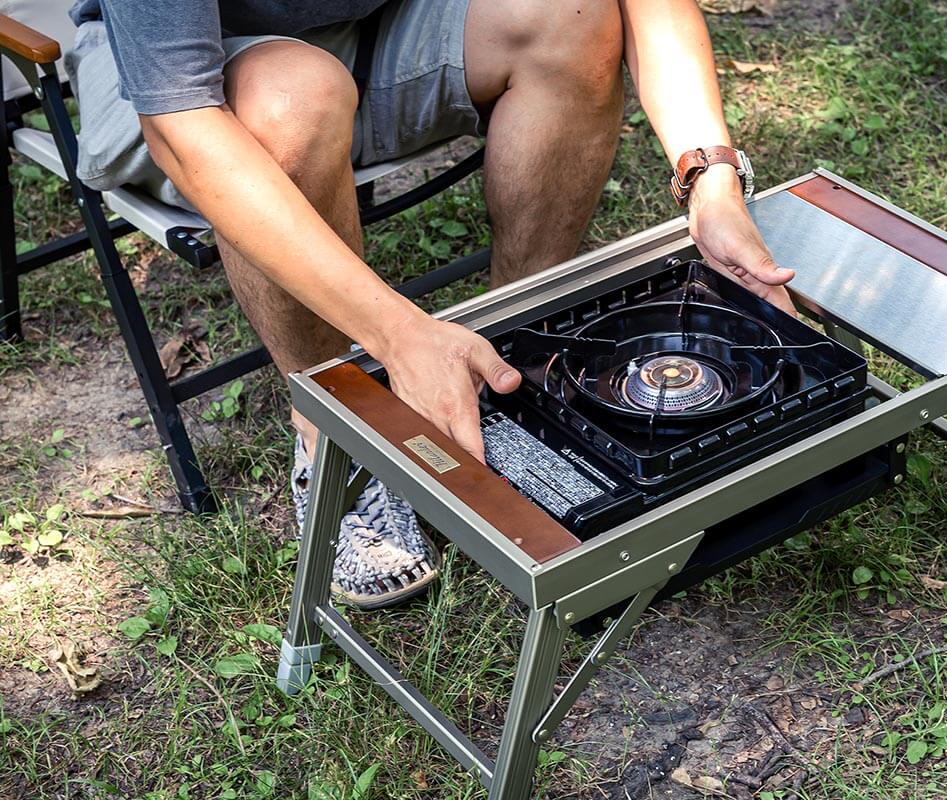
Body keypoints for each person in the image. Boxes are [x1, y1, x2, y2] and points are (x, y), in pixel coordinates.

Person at [66, 0, 796, 609]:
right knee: (289, 100)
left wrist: (711, 183)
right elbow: (182, 127)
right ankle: (336, 433)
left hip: (377, 24)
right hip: (190, 81)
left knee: (573, 15)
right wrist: (398, 333)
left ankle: (518, 368)